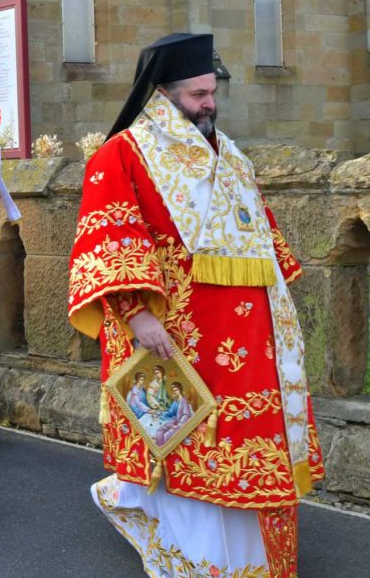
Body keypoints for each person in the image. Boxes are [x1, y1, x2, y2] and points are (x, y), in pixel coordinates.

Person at [68, 33, 324, 576]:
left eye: (212, 92)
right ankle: (197, 557)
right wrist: (137, 315)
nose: (209, 104)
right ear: (162, 93)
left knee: (246, 442)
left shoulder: (228, 153)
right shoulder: (123, 153)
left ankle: (252, 559)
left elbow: (260, 234)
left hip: (252, 342)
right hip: (179, 335)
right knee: (189, 442)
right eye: (197, 94)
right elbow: (108, 240)